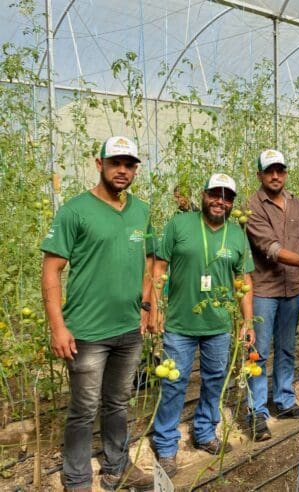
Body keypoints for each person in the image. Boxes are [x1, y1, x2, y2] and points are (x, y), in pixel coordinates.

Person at [41, 136, 154, 491]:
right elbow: (51, 270)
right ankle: (76, 479)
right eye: (115, 163)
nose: (123, 171)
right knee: (83, 409)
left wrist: (149, 306)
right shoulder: (75, 211)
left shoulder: (141, 211)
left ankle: (116, 467)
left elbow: (150, 260)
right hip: (87, 332)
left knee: (118, 402)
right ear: (99, 164)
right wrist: (58, 327)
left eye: (129, 164)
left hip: (128, 329)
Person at [150, 173, 255, 477]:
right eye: (214, 194)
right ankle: (167, 445)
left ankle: (205, 432)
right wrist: (154, 309)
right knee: (173, 384)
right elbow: (158, 268)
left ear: (232, 202)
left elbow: (244, 280)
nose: (220, 201)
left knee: (214, 381)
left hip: (219, 326)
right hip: (180, 324)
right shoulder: (179, 225)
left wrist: (247, 322)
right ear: (204, 194)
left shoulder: (236, 234)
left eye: (227, 197)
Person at [245, 149, 299, 441]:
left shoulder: (295, 203)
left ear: (285, 173)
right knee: (258, 352)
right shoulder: (253, 206)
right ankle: (256, 411)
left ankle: (283, 400)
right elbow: (271, 250)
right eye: (269, 171)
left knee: (287, 348)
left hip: (292, 288)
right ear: (260, 175)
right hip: (265, 291)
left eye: (280, 170)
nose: (275, 175)